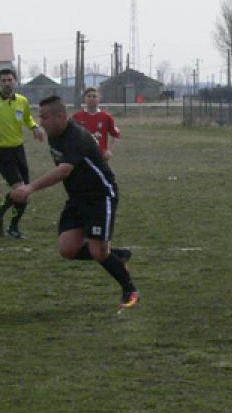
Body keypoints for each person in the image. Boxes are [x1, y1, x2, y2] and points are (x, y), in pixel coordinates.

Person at [9, 95, 138, 309]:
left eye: (44, 117)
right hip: (78, 198)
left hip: (100, 196)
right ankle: (118, 256)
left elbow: (64, 171)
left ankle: (130, 289)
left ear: (60, 116)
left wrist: (30, 188)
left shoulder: (76, 136)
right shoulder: (54, 134)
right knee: (67, 249)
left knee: (98, 252)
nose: (41, 122)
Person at [0, 68, 45, 239]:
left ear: (15, 81)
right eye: (3, 80)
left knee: (25, 192)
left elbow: (27, 118)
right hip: (2, 152)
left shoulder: (22, 101)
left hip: (19, 150)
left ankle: (11, 226)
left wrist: (35, 128)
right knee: (19, 189)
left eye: (9, 80)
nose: (7, 83)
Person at [71, 87, 121, 160]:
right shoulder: (77, 117)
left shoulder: (106, 117)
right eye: (89, 96)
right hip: (81, 157)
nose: (91, 98)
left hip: (100, 157)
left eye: (94, 96)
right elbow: (70, 136)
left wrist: (109, 151)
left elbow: (116, 135)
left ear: (99, 99)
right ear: (84, 99)